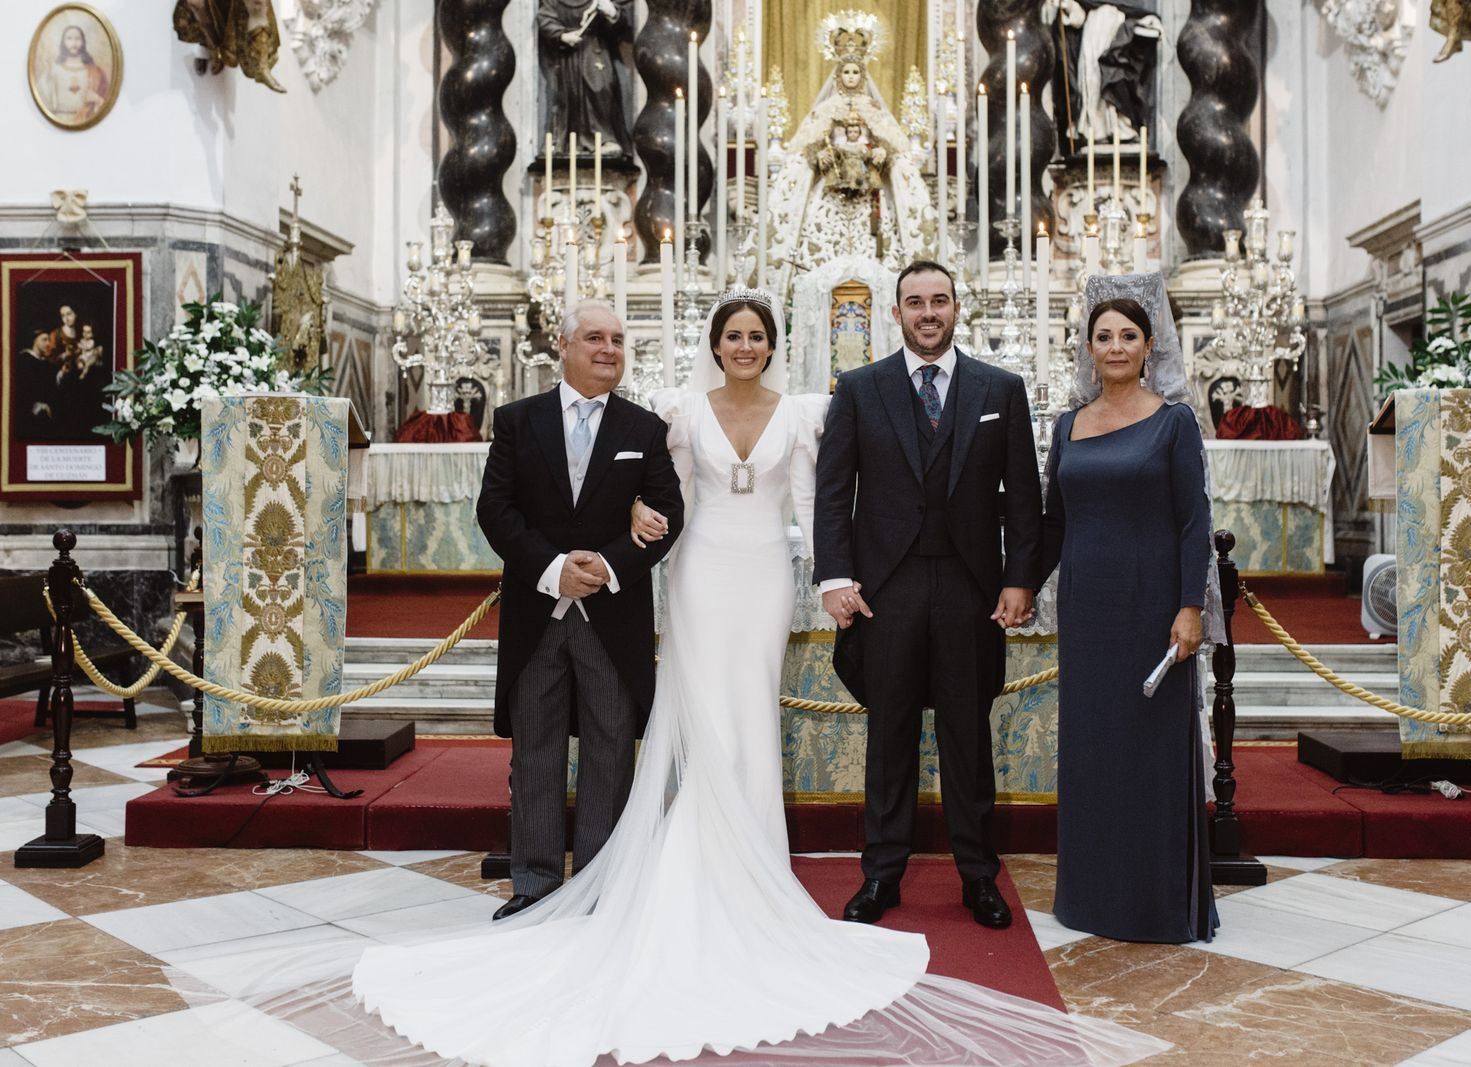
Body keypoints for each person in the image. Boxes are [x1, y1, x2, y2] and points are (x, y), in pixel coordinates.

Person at [349, 288, 1167, 1067]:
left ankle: (759, 866)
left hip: (769, 574)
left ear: (774, 346)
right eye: (733, 335)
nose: (745, 346)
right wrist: (639, 522)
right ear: (715, 346)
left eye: (757, 336)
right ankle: (688, 862)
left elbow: (819, 499)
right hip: (702, 572)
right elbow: (647, 488)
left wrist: (828, 578)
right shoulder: (674, 413)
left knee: (751, 714)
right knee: (703, 709)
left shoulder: (807, 412)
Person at [814, 260, 1042, 930]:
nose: (928, 312)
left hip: (972, 588)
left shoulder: (1002, 387)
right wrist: (835, 578)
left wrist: (1019, 577)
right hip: (888, 589)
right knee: (890, 736)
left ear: (956, 307)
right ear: (896, 313)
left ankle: (979, 876)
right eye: (915, 302)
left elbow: (1024, 496)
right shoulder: (859, 388)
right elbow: (834, 492)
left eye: (939, 300)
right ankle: (881, 873)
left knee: (968, 735)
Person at [473, 299, 684, 921]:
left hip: (610, 618)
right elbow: (497, 510)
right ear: (563, 348)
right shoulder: (517, 421)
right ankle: (534, 883)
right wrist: (553, 569)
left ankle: (599, 882)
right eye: (594, 338)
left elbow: (667, 514)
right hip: (538, 612)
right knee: (535, 749)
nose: (608, 349)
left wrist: (611, 566)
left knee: (610, 750)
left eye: (617, 340)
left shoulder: (643, 429)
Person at [1038, 272, 1222, 944]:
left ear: (1150, 347)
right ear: (1088, 348)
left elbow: (1192, 521)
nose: (1115, 347)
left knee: (1148, 754)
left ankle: (1153, 901)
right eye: (1104, 336)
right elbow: (1053, 523)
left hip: (1152, 610)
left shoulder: (1173, 422)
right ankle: (1090, 895)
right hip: (1087, 613)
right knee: (1093, 752)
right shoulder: (1068, 426)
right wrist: (1019, 586)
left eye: (1128, 336)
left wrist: (1189, 606)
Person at [765, 16, 936, 303]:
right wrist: (819, 155)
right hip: (830, 196)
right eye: (846, 72)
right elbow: (807, 144)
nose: (851, 77)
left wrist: (883, 153)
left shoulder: (872, 108)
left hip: (870, 195)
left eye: (856, 71)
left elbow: (893, 142)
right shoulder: (828, 109)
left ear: (863, 74)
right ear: (838, 75)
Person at [536, 0, 634, 157]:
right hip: (568, 56)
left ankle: (604, 138)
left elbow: (622, 23)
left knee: (600, 88)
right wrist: (562, 35)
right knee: (568, 96)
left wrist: (611, 11)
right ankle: (567, 142)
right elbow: (545, 18)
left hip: (595, 48)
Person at [39, 24, 109, 125]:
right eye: (69, 38)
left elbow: (107, 101)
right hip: (59, 121)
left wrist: (97, 100)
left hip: (87, 121)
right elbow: (43, 99)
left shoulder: (95, 71)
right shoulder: (54, 70)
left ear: (83, 42)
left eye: (77, 39)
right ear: (63, 42)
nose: (74, 43)